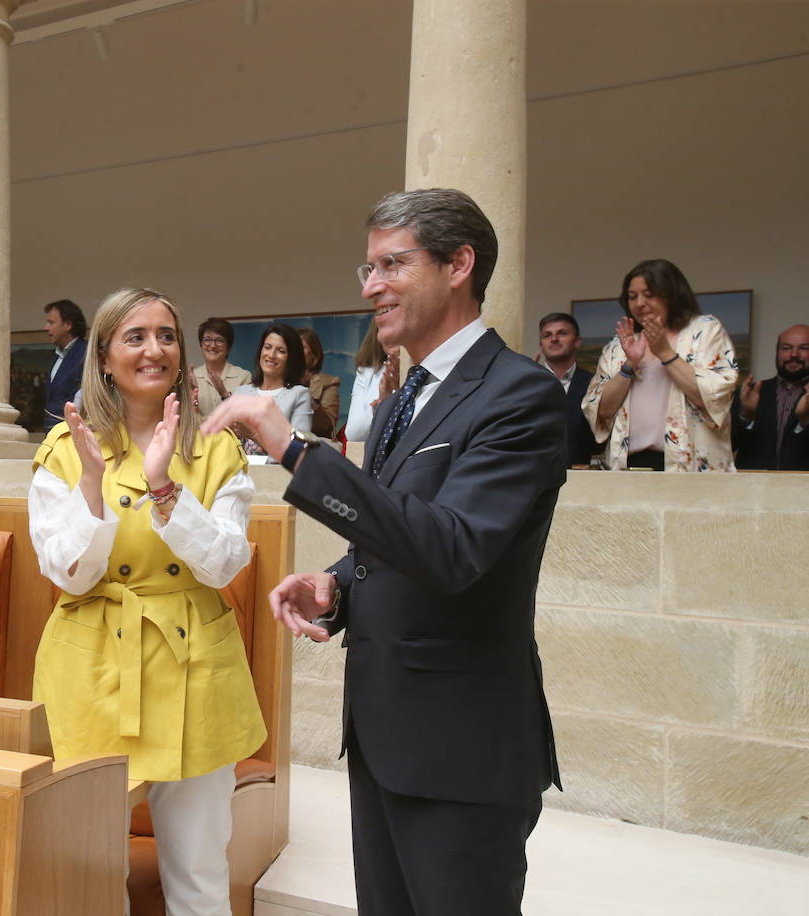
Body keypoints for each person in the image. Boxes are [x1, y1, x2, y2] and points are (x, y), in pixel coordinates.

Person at [205, 188, 566, 916]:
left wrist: (292, 450)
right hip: (383, 735)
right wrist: (337, 586)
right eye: (367, 269)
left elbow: (456, 547)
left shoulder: (518, 394)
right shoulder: (403, 400)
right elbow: (398, 528)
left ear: (459, 263)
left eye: (391, 265)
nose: (370, 287)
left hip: (461, 750)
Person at [30, 287, 265, 915]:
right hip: (92, 669)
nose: (153, 349)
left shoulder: (218, 448)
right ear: (104, 357)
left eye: (166, 336)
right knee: (91, 868)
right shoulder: (61, 450)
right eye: (135, 337)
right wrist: (90, 485)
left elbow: (223, 566)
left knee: (198, 871)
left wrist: (164, 488)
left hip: (194, 669)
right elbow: (71, 577)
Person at [581, 259, 738, 471]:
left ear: (672, 294)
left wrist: (665, 353)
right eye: (632, 297)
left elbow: (714, 397)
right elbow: (600, 411)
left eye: (649, 294)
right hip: (629, 466)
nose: (639, 303)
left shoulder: (704, 331)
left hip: (689, 467)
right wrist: (629, 365)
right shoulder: (620, 345)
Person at [732, 324, 809, 471]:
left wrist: (805, 421)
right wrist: (745, 416)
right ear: (777, 353)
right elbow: (727, 447)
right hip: (753, 489)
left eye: (804, 348)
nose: (794, 354)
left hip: (803, 490)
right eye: (786, 348)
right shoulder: (751, 392)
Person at [231, 323, 311, 455]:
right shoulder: (241, 392)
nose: (271, 355)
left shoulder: (299, 395)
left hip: (276, 474)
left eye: (281, 351)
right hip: (239, 473)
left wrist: (254, 435)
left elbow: (299, 452)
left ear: (292, 358)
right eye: (267, 347)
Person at [537, 312, 599, 467]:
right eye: (547, 335)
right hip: (534, 476)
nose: (554, 339)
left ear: (577, 341)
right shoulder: (527, 383)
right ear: (541, 345)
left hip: (580, 478)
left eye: (562, 333)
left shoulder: (594, 382)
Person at [43, 298, 87, 429]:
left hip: (72, 435)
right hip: (53, 435)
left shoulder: (87, 353)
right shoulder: (56, 357)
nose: (45, 328)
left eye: (51, 322)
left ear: (67, 325)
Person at [192, 317, 251, 416]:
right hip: (199, 431)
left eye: (219, 340)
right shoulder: (192, 377)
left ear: (228, 347)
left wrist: (224, 393)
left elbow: (245, 416)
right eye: (207, 340)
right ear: (201, 345)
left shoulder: (244, 377)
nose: (212, 345)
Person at [344, 321, 390, 443]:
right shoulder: (366, 373)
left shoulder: (422, 371)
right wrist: (382, 403)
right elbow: (353, 434)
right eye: (387, 328)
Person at [299, 327, 341, 438]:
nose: (296, 353)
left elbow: (327, 425)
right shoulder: (279, 381)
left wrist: (306, 391)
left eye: (301, 348)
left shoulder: (329, 382)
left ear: (315, 355)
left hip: (312, 449)